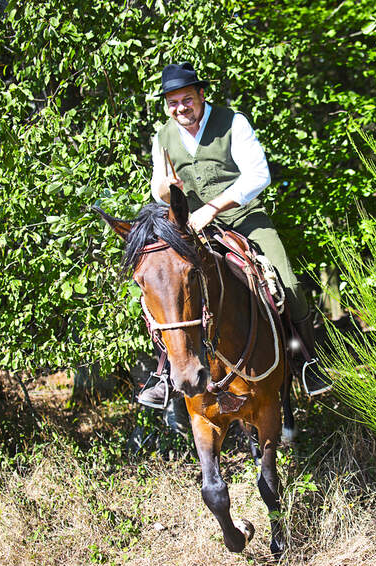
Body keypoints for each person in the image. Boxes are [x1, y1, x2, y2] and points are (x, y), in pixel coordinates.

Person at [136, 61, 331, 409]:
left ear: (201, 95)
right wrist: (167, 192)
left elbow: (259, 175)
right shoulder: (163, 137)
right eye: (172, 103)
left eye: (186, 99)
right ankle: (164, 375)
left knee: (287, 282)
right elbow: (157, 190)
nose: (180, 108)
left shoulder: (233, 122)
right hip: (193, 229)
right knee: (165, 288)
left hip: (244, 218)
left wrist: (212, 207)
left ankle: (307, 365)